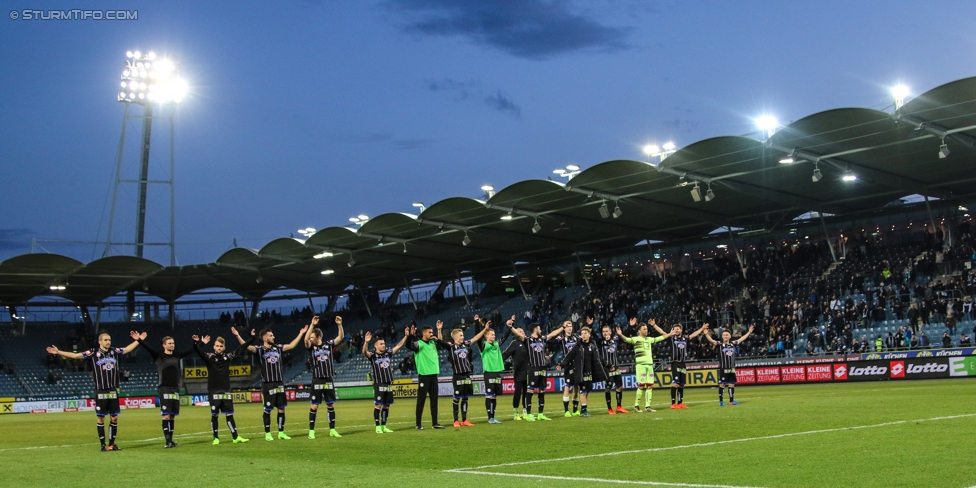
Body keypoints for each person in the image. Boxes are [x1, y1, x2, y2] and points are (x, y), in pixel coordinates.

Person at [45, 331, 143, 451]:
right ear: (100, 342)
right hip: (101, 390)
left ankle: (112, 444)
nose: (108, 342)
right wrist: (59, 352)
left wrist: (138, 340)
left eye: (109, 340)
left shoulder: (114, 351)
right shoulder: (93, 352)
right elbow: (76, 356)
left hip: (112, 389)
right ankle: (102, 445)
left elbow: (127, 349)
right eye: (106, 340)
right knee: (101, 418)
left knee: (114, 418)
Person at [238, 323, 309, 441]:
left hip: (279, 382)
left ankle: (281, 432)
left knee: (282, 408)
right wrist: (237, 336)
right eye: (271, 336)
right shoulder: (260, 349)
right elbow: (247, 347)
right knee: (268, 409)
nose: (273, 337)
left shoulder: (277, 347)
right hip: (268, 383)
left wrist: (301, 334)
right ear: (265, 338)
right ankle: (268, 433)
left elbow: (291, 346)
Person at [137, 333, 195, 448]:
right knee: (166, 415)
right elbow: (149, 348)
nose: (172, 345)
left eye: (173, 343)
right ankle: (167, 441)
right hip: (164, 388)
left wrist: (200, 343)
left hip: (175, 388)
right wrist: (139, 340)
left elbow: (190, 351)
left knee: (172, 415)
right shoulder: (159, 356)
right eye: (169, 343)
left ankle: (171, 441)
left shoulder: (176, 356)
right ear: (164, 345)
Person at [195, 330, 251, 445]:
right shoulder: (209, 357)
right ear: (214, 347)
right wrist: (200, 343)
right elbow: (198, 351)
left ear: (224, 347)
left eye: (221, 346)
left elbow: (241, 348)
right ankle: (216, 438)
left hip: (225, 390)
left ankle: (235, 437)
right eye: (217, 346)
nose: (219, 348)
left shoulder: (228, 357)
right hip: (213, 390)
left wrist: (252, 338)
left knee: (229, 414)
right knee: (214, 415)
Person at [436, 319, 490, 427]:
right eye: (460, 335)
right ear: (455, 337)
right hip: (458, 375)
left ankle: (464, 420)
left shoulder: (466, 344)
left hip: (467, 374)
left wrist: (485, 329)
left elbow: (476, 338)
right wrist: (439, 330)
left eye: (462, 335)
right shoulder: (451, 346)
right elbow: (439, 341)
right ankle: (456, 420)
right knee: (457, 397)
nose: (462, 337)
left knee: (465, 397)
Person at [510, 322, 564, 421]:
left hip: (543, 367)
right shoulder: (528, 340)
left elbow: (552, 334)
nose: (540, 330)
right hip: (533, 368)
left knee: (542, 390)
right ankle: (529, 414)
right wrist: (511, 327)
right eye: (539, 328)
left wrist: (562, 328)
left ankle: (540, 414)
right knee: (530, 390)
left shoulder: (542, 339)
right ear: (535, 329)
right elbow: (517, 334)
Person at [303, 315, 344, 439]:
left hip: (328, 379)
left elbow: (340, 337)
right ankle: (311, 431)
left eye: (312, 337)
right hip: (317, 379)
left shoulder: (328, 344)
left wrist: (339, 325)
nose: (310, 339)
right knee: (314, 405)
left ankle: (332, 430)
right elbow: (305, 340)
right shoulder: (311, 347)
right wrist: (312, 325)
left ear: (318, 337)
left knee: (330, 405)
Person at [651, 321, 706, 409]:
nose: (677, 330)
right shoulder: (671, 337)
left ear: (681, 330)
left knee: (681, 384)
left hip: (683, 363)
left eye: (678, 329)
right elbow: (662, 332)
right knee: (675, 384)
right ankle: (673, 403)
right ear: (673, 330)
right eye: (675, 329)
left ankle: (680, 403)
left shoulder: (685, 338)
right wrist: (654, 325)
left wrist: (702, 329)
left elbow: (694, 335)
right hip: (675, 363)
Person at [362, 329, 409, 433]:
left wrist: (406, 336)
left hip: (388, 384)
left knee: (386, 406)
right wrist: (366, 342)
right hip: (379, 384)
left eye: (384, 343)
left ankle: (384, 426)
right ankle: (377, 427)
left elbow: (399, 345)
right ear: (376, 346)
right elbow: (364, 352)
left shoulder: (388, 353)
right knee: (378, 405)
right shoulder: (373, 356)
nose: (383, 345)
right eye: (381, 344)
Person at [616, 318, 668, 412]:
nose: (646, 330)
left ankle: (647, 406)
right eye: (644, 329)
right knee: (641, 385)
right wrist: (620, 334)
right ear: (639, 331)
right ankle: (636, 406)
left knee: (650, 386)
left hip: (649, 366)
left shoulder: (649, 339)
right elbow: (626, 339)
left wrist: (656, 326)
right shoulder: (635, 339)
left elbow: (663, 336)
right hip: (641, 366)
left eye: (647, 329)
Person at [557, 326, 607, 417]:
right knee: (583, 391)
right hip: (580, 372)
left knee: (587, 391)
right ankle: (583, 410)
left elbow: (597, 358)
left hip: (589, 371)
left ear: (589, 335)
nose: (583, 335)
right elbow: (569, 356)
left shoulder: (592, 345)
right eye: (582, 333)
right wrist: (561, 364)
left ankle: (583, 409)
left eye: (585, 333)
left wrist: (606, 365)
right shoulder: (578, 346)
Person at [405, 323, 445, 430]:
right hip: (424, 376)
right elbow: (409, 346)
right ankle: (418, 424)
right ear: (424, 333)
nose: (432, 334)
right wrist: (410, 336)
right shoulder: (419, 343)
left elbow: (441, 344)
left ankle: (435, 423)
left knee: (434, 401)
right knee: (421, 401)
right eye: (430, 332)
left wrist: (439, 330)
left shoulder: (433, 343)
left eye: (432, 332)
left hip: (434, 376)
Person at [703, 324, 755, 406]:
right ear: (722, 336)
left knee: (732, 384)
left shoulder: (733, 343)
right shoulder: (719, 344)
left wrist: (749, 332)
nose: (725, 336)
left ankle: (731, 401)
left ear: (730, 336)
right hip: (724, 368)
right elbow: (712, 341)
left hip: (732, 368)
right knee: (722, 384)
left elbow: (741, 339)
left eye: (727, 335)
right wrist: (706, 334)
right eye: (724, 335)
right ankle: (721, 401)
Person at [596, 324, 627, 414]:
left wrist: (631, 327)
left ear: (610, 331)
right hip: (606, 369)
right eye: (603, 331)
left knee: (620, 387)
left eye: (606, 331)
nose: (605, 333)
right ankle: (609, 408)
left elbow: (626, 337)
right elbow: (598, 356)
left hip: (616, 367)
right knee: (608, 388)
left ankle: (619, 406)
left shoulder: (615, 340)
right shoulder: (600, 342)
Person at [502, 317, 529, 420]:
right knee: (517, 392)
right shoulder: (514, 343)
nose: (522, 333)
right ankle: (516, 412)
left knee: (527, 393)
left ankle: (525, 411)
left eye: (523, 331)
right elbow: (505, 354)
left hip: (527, 371)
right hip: (518, 372)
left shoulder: (527, 343)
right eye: (520, 331)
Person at [553, 319, 581, 417]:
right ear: (564, 328)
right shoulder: (561, 338)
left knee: (576, 387)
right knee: (567, 386)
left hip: (577, 365)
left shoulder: (577, 338)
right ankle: (566, 411)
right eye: (567, 326)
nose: (569, 328)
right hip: (568, 365)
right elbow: (551, 341)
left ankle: (575, 410)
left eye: (570, 326)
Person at [479, 323, 506, 424]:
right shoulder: (483, 346)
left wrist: (510, 327)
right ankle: (490, 417)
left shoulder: (496, 344)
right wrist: (479, 324)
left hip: (497, 372)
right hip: (489, 372)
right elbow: (478, 339)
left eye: (494, 334)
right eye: (491, 334)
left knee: (494, 396)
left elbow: (504, 337)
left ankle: (493, 417)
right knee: (489, 395)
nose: (494, 336)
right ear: (486, 336)